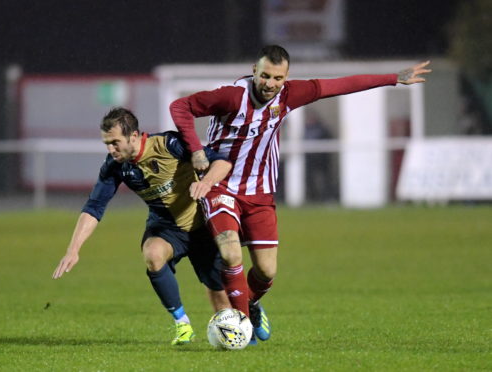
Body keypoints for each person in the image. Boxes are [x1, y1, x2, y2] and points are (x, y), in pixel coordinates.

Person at [169, 45, 431, 343]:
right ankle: (242, 330)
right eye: (265, 75)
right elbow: (180, 107)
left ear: (286, 77)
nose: (270, 84)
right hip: (220, 184)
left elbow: (340, 85)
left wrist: (393, 78)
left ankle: (250, 305)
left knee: (266, 271)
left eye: (277, 78)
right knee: (230, 253)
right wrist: (197, 150)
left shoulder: (290, 95)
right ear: (254, 71)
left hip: (260, 192)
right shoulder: (231, 97)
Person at [52, 107, 232, 346]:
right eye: (107, 143)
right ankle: (182, 324)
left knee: (221, 296)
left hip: (202, 226)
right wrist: (73, 249)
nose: (110, 149)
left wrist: (207, 182)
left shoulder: (169, 144)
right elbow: (95, 206)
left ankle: (250, 309)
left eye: (115, 142)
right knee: (153, 254)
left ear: (134, 136)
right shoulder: (115, 166)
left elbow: (222, 162)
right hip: (165, 228)